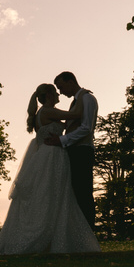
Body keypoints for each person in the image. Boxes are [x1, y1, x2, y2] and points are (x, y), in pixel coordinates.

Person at [0, 83, 100, 255]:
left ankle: (51, 237)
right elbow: (76, 114)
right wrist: (82, 94)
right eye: (56, 92)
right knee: (51, 195)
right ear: (49, 95)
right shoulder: (48, 111)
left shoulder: (41, 114)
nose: (58, 95)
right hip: (52, 157)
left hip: (47, 155)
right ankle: (43, 236)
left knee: (48, 196)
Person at [44, 72, 98, 228]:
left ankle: (88, 233)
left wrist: (61, 140)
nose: (60, 92)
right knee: (74, 193)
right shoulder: (76, 102)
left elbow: (86, 128)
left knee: (83, 193)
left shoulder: (87, 99)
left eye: (61, 87)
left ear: (71, 81)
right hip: (73, 151)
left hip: (82, 151)